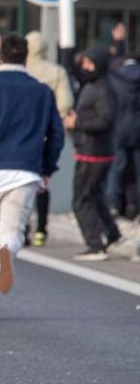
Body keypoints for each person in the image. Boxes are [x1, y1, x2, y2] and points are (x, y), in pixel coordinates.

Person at [0, 34, 64, 321]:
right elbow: (56, 134)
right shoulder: (42, 91)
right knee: (13, 231)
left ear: (0, 56)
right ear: (26, 57)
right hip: (25, 170)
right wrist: (46, 168)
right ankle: (10, 250)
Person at [66, 47, 122, 261]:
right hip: (90, 149)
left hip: (94, 152)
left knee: (81, 199)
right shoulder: (94, 85)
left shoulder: (104, 88)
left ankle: (94, 243)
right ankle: (112, 234)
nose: (85, 68)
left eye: (89, 63)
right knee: (94, 195)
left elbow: (105, 120)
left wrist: (77, 122)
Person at [25, 31, 74, 246]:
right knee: (43, 180)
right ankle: (42, 228)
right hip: (46, 131)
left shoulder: (21, 72)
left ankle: (23, 225)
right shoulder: (56, 72)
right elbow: (65, 103)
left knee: (21, 182)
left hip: (21, 133)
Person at [106, 53, 140, 218]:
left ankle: (114, 203)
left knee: (117, 168)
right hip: (137, 129)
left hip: (119, 129)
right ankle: (134, 203)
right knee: (137, 168)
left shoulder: (115, 79)